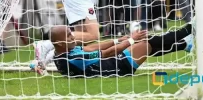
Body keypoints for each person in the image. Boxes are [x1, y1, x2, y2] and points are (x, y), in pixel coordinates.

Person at [50, 23, 193, 78]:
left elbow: (91, 47)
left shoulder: (60, 54)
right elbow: (107, 53)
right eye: (69, 35)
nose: (73, 36)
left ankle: (184, 45)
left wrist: (117, 40)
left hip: (112, 63)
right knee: (146, 42)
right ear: (59, 42)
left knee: (146, 46)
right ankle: (189, 29)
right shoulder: (75, 59)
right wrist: (131, 39)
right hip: (118, 67)